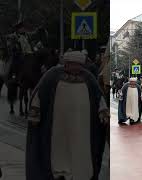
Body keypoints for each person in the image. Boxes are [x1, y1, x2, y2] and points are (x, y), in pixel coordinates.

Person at [26, 51, 109, 180]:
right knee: (59, 148)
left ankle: (80, 172)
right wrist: (35, 113)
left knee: (80, 149)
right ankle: (58, 172)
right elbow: (39, 94)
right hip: (58, 125)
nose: (76, 68)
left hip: (81, 125)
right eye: (73, 65)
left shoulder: (88, 77)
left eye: (79, 65)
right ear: (66, 64)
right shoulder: (52, 75)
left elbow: (99, 97)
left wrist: (103, 111)